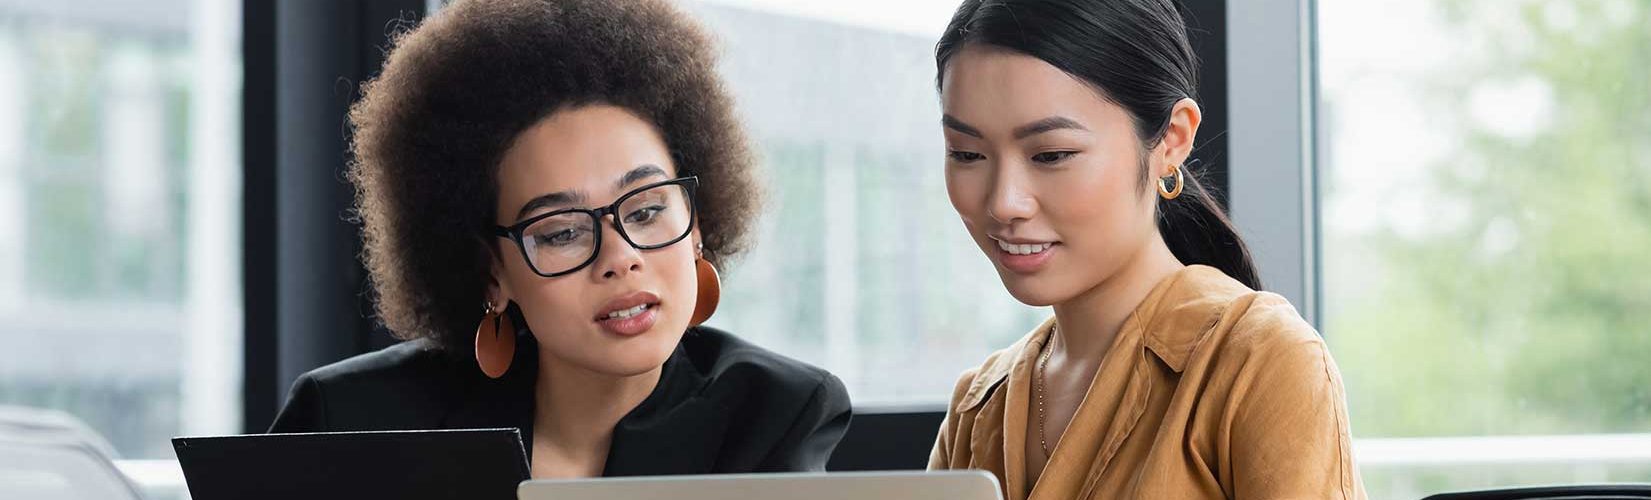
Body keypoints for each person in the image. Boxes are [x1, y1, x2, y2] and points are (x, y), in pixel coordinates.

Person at [267, 0, 849, 479]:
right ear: (492, 270)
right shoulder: (347, 419)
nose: (621, 260)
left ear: (696, 224)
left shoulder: (774, 415)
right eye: (564, 232)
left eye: (646, 211)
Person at [925, 0, 1366, 498]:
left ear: (1172, 140)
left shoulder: (1258, 361)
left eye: (1052, 155)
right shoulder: (979, 404)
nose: (1004, 203)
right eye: (967, 154)